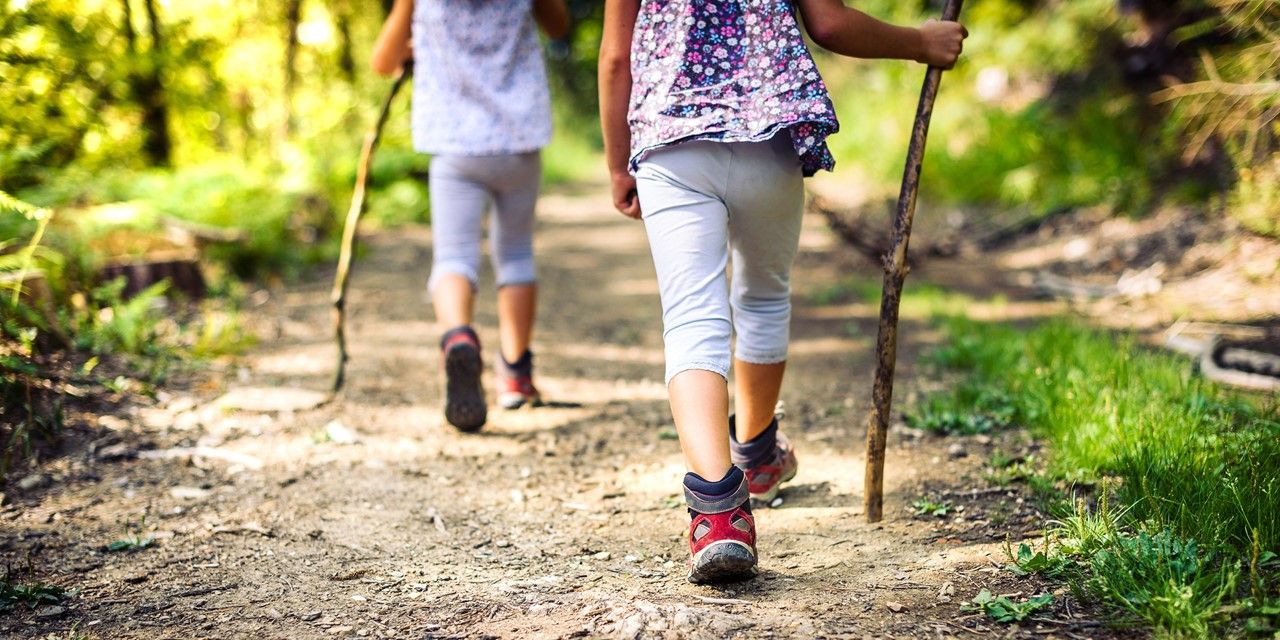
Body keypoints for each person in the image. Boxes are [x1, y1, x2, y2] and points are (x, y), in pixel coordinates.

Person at [599, 0, 966, 583]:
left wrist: (619, 164)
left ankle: (718, 512)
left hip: (671, 143)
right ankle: (757, 454)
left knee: (693, 317)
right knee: (764, 297)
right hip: (765, 138)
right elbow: (829, 23)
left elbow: (618, 57)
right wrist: (920, 42)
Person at [371, 0, 570, 431]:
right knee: (515, 254)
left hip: (454, 144)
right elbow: (559, 26)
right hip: (518, 139)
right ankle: (516, 376)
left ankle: (458, 335)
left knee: (454, 257)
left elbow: (382, 61)